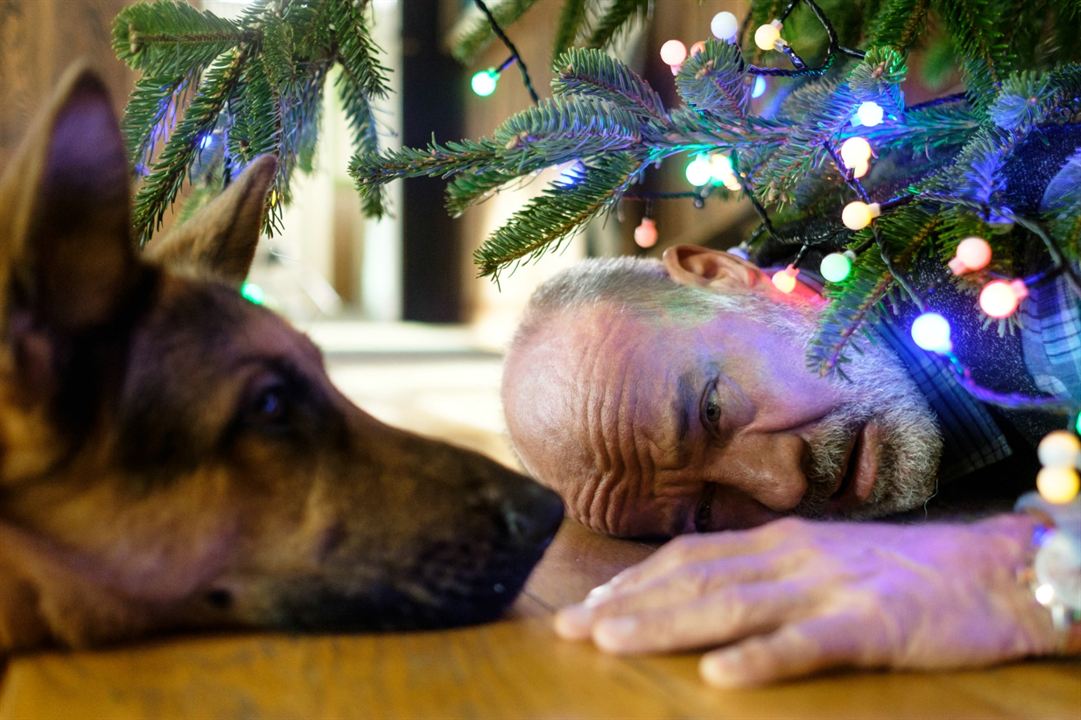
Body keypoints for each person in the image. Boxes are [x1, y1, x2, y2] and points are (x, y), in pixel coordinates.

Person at [501, 244, 1081, 686]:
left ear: (718, 275)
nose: (783, 487)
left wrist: (1016, 577)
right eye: (706, 512)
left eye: (713, 410)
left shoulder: (1044, 279)